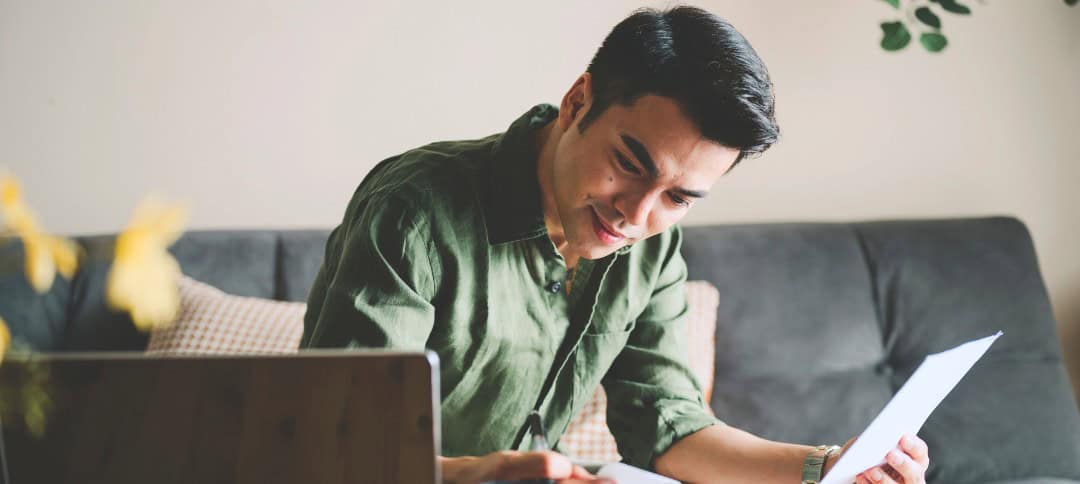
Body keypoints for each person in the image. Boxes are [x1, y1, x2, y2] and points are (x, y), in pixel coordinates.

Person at [302, 5, 930, 484]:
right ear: (578, 101)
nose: (637, 214)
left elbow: (669, 428)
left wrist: (827, 468)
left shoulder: (653, 247)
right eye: (629, 164)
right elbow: (341, 446)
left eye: (678, 197)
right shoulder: (414, 208)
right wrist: (483, 474)